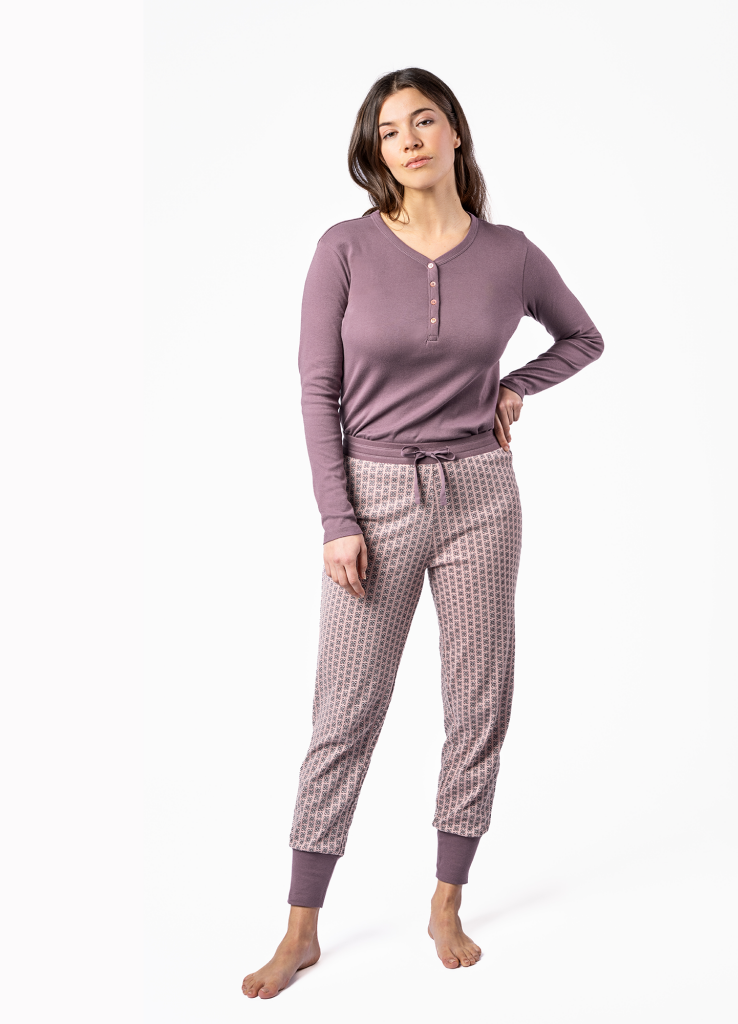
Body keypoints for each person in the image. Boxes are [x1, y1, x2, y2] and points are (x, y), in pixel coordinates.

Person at [243, 67, 603, 999]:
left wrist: (516, 387)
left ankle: (446, 903)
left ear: (454, 134)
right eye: (389, 129)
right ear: (376, 149)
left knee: (479, 701)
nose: (407, 140)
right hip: (374, 495)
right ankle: (301, 928)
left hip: (482, 495)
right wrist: (338, 520)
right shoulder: (346, 248)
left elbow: (583, 337)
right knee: (344, 713)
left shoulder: (511, 254)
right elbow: (317, 390)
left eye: (424, 121)